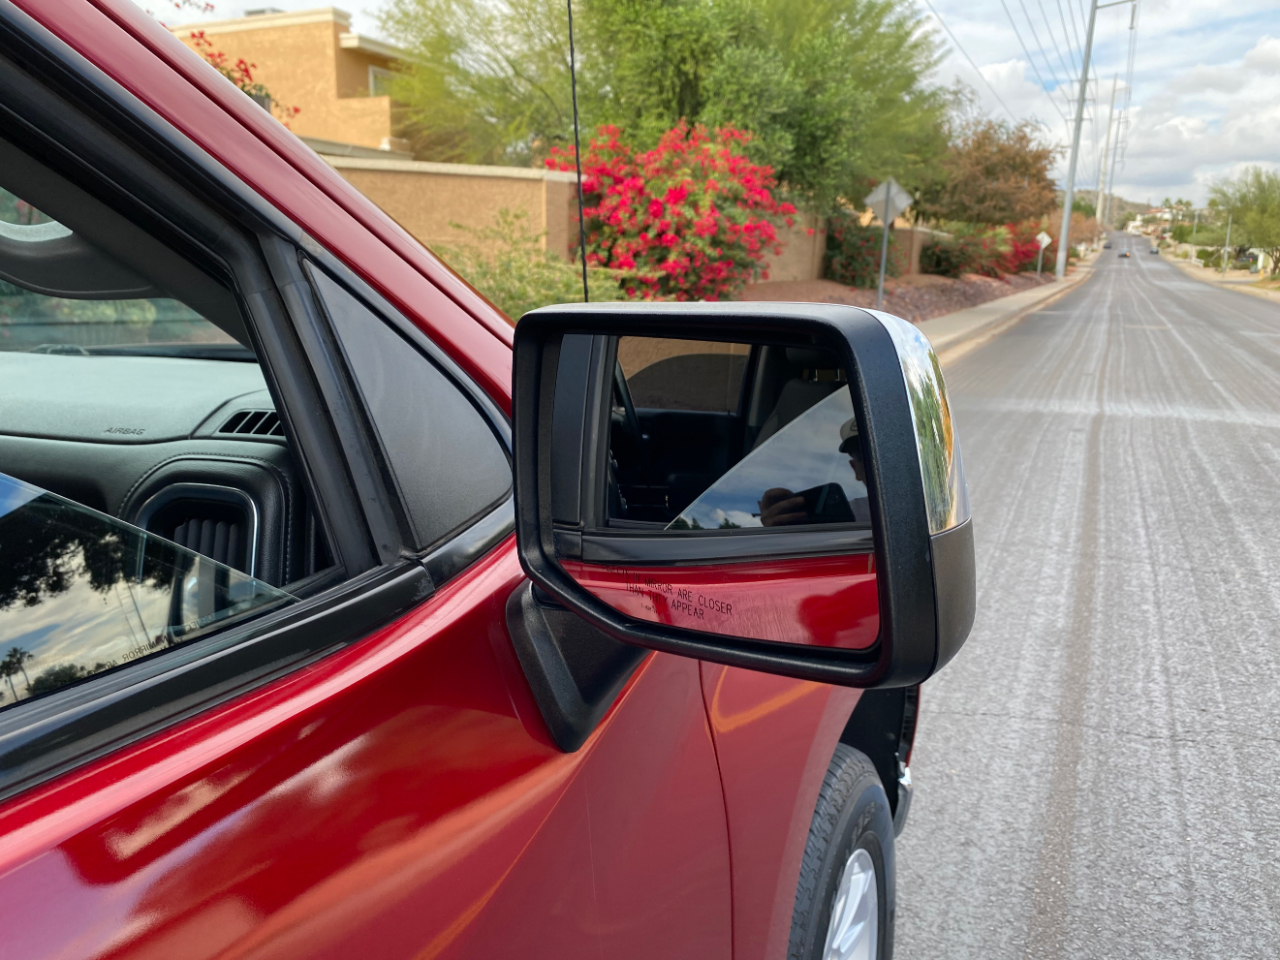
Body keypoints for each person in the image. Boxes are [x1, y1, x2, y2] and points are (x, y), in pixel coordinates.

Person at [758, 416, 871, 526]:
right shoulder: (838, 518)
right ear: (855, 468)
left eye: (886, 450)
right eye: (863, 456)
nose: (876, 462)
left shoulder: (843, 518)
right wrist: (780, 532)